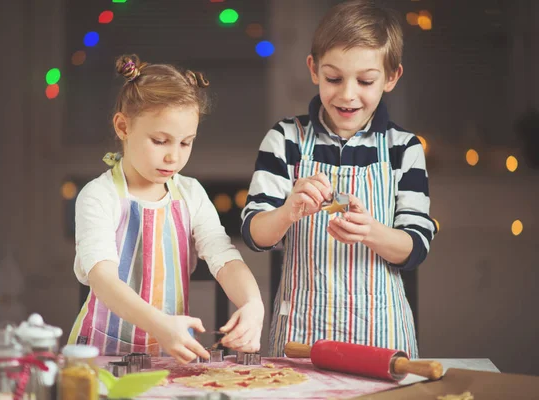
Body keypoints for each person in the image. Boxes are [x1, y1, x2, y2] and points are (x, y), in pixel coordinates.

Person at [241, 0, 436, 358]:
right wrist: (288, 211)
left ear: (391, 78)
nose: (347, 94)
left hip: (383, 336)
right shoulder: (286, 140)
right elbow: (254, 233)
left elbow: (416, 246)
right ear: (313, 69)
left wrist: (370, 232)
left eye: (365, 81)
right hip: (300, 336)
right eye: (334, 78)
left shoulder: (403, 148)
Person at [68, 54, 264, 363]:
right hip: (104, 356)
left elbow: (223, 256)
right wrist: (159, 325)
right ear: (123, 126)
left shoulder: (190, 194)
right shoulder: (98, 196)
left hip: (169, 356)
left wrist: (253, 304)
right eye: (161, 141)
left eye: (186, 143)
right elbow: (103, 279)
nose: (174, 157)